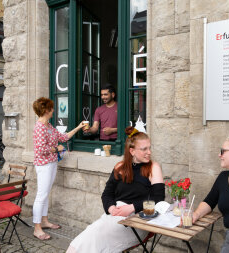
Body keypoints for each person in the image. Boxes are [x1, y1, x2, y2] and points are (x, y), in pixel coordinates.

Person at [66, 126, 165, 253]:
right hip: (114, 215)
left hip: (138, 220)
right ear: (132, 151)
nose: (149, 152)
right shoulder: (120, 167)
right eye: (144, 149)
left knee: (95, 235)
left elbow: (158, 199)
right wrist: (111, 208)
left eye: (149, 148)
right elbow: (107, 194)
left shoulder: (153, 167)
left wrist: (131, 208)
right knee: (93, 232)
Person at [32, 97, 84, 240]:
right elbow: (41, 150)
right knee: (41, 195)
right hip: (43, 165)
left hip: (51, 163)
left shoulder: (48, 126)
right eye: (51, 108)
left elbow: (63, 137)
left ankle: (44, 221)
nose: (53, 110)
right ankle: (37, 228)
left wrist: (78, 127)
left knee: (45, 194)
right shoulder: (40, 127)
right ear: (46, 110)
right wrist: (57, 149)